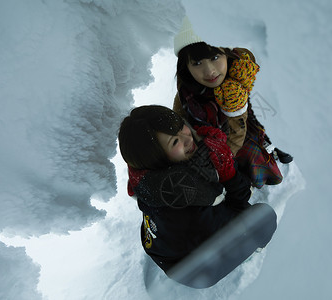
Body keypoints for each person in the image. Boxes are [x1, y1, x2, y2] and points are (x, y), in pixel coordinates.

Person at [118, 105, 277, 288]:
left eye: (181, 128)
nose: (187, 138)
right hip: (195, 270)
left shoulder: (147, 178)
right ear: (157, 159)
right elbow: (238, 208)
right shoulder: (189, 201)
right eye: (174, 142)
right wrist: (228, 173)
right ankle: (254, 247)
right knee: (264, 216)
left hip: (164, 246)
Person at [172, 17, 293, 189]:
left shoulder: (245, 69)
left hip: (259, 120)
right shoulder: (187, 96)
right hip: (230, 141)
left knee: (267, 110)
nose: (209, 71)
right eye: (197, 63)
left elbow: (274, 102)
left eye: (215, 57)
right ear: (186, 66)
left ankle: (279, 144)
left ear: (226, 52)